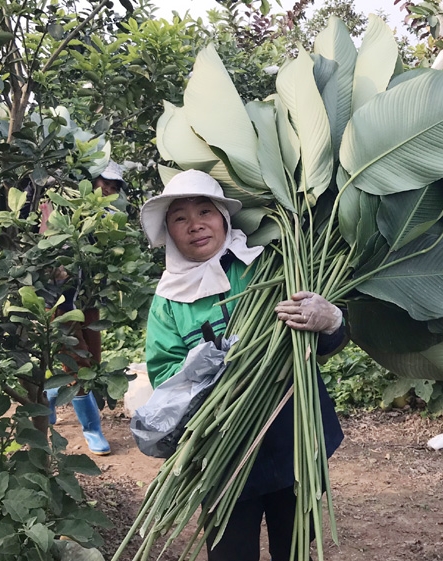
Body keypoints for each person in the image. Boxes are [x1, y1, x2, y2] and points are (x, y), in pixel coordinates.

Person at [140, 169, 346, 561]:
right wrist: (208, 374)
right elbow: (166, 377)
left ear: (224, 218)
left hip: (295, 438)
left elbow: (321, 345)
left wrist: (332, 320)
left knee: (297, 547)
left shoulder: (270, 264)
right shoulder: (168, 301)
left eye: (205, 211)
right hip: (221, 452)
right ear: (168, 231)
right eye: (180, 218)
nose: (195, 225)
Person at [37, 161, 128, 456]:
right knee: (80, 367)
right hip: (59, 302)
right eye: (104, 183)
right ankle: (92, 430)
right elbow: (43, 247)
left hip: (88, 300)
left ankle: (50, 395)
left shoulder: (108, 218)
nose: (108, 190)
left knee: (93, 361)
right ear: (90, 182)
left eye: (114, 187)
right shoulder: (62, 208)